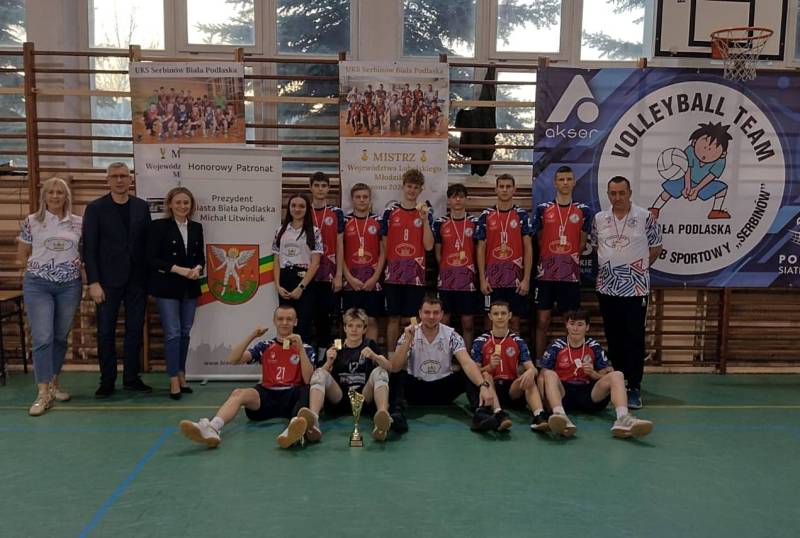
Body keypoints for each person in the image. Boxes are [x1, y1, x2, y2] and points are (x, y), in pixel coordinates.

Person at [179, 305, 317, 449]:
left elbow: (308, 379)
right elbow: (233, 359)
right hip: (266, 398)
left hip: (292, 398)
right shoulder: (265, 346)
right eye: (280, 319)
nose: (284, 322)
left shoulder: (306, 348)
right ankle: (213, 428)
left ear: (295, 322)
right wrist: (252, 336)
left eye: (289, 319)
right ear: (274, 321)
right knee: (238, 393)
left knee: (306, 390)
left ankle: (293, 430)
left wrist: (300, 349)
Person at [592, 177, 663, 409]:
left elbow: (656, 247)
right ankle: (618, 382)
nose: (617, 197)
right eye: (613, 193)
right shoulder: (599, 219)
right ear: (608, 194)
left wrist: (636, 270)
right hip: (607, 287)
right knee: (613, 337)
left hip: (635, 289)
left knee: (634, 337)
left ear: (629, 193)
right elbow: (597, 247)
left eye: (622, 193)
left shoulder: (645, 217)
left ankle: (634, 386)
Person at [83, 162, 152, 398]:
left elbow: (147, 245)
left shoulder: (141, 207)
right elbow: (89, 248)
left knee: (135, 331)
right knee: (105, 332)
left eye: (123, 176)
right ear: (108, 180)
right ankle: (107, 380)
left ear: (130, 179)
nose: (119, 180)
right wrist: (93, 282)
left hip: (137, 281)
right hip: (106, 282)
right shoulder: (95, 208)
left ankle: (132, 378)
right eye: (115, 176)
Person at [18, 177, 83, 416]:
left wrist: (80, 264)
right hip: (38, 285)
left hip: (70, 286)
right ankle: (42, 392)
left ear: (67, 197)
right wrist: (37, 270)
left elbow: (84, 252)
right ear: (44, 196)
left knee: (59, 337)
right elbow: (22, 255)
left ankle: (54, 384)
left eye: (60, 192)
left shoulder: (78, 223)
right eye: (51, 192)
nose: (55, 196)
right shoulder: (31, 222)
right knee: (43, 337)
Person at [388, 297, 500, 433]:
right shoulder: (409, 334)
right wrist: (407, 341)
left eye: (436, 312)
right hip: (416, 390)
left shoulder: (452, 335)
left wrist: (483, 385)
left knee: (467, 373)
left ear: (441, 314)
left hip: (443, 390)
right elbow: (395, 367)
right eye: (427, 312)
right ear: (420, 313)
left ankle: (481, 414)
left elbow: (467, 362)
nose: (431, 316)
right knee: (397, 375)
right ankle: (397, 415)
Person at [538, 309, 653, 438]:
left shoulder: (593, 346)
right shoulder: (556, 346)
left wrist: (593, 373)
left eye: (580, 324)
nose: (575, 328)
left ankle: (623, 418)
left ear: (587, 327)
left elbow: (606, 374)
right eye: (572, 323)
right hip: (564, 394)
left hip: (589, 394)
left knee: (617, 375)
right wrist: (544, 404)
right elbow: (542, 377)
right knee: (549, 374)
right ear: (566, 325)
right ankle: (560, 416)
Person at [295, 308, 393, 444]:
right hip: (339, 397)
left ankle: (381, 418)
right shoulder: (336, 345)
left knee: (380, 371)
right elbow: (317, 377)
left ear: (364, 329)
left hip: (363, 398)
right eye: (350, 326)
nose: (354, 330)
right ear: (345, 328)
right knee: (319, 373)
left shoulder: (369, 344)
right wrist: (329, 362)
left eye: (358, 326)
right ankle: (314, 421)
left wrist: (375, 356)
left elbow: (389, 368)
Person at [146, 187, 205, 400]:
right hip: (167, 287)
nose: (182, 206)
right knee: (172, 332)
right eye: (178, 202)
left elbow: (200, 257)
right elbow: (151, 259)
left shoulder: (197, 227)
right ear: (170, 204)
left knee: (185, 332)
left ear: (191, 205)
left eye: (186, 202)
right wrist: (178, 269)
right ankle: (172, 378)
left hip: (190, 287)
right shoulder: (158, 226)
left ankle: (181, 373)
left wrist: (198, 268)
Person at [531, 166, 592, 358]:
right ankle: (540, 361)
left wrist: (566, 261)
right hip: (545, 275)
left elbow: (582, 244)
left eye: (568, 179)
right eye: (561, 179)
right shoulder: (543, 209)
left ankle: (569, 360)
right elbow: (540, 241)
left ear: (574, 182)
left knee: (572, 322)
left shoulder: (583, 211)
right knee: (542, 320)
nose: (565, 183)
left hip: (570, 276)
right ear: (555, 183)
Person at [471, 301, 548, 432]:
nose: (500, 317)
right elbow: (474, 371)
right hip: (491, 389)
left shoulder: (518, 341)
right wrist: (489, 366)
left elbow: (532, 368)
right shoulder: (480, 341)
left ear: (510, 315)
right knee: (485, 374)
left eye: (503, 313)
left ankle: (539, 416)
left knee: (528, 376)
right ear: (490, 316)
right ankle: (499, 413)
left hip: (512, 389)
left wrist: (531, 371)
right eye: (496, 314)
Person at [380, 169, 434, 351]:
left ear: (421, 190)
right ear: (403, 187)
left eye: (416, 187)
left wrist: (425, 221)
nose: (412, 190)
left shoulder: (425, 213)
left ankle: (412, 355)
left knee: (413, 319)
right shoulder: (390, 212)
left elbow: (429, 246)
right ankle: (391, 357)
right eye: (409, 186)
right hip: (393, 275)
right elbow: (384, 245)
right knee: (393, 318)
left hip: (415, 275)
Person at [475, 173, 533, 332]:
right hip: (491, 280)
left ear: (514, 189)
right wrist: (482, 279)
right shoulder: (486, 215)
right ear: (496, 189)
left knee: (514, 321)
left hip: (516, 280)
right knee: (489, 321)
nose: (505, 190)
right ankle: (489, 349)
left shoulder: (521, 215)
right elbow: (480, 248)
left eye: (508, 186)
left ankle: (514, 349)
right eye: (501, 186)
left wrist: (526, 279)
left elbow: (528, 247)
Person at [434, 183, 480, 350]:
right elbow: (438, 252)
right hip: (447, 279)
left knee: (467, 322)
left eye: (461, 196)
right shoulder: (440, 223)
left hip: (468, 279)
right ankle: (444, 356)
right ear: (449, 200)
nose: (458, 200)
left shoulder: (474, 222)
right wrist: (448, 269)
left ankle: (465, 356)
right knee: (444, 321)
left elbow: (479, 250)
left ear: (466, 199)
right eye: (454, 197)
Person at [273, 193, 322, 343]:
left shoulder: (314, 232)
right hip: (285, 280)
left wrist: (301, 287)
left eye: (301, 206)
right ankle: (286, 355)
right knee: (285, 324)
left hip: (304, 280)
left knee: (303, 323)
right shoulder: (281, 231)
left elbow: (315, 263)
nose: (297, 209)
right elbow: (276, 261)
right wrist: (278, 286)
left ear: (307, 209)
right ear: (289, 208)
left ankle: (303, 356)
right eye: (293, 205)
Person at [342, 183, 385, 341]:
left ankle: (371, 354)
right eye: (358, 197)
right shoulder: (344, 221)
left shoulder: (379, 221)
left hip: (372, 281)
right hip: (350, 281)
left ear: (370, 199)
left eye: (365, 197)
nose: (361, 200)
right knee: (348, 321)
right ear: (352, 199)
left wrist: (375, 278)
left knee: (371, 320)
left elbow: (383, 252)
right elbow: (340, 252)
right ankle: (345, 353)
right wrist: (349, 278)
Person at [308, 172, 345, 351]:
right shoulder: (304, 210)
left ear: (329, 188)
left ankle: (328, 355)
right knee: (309, 316)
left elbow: (340, 244)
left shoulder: (336, 213)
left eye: (324, 186)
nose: (320, 189)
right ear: (310, 187)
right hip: (307, 274)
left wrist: (339, 275)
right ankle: (310, 355)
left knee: (330, 317)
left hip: (329, 274)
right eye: (316, 185)